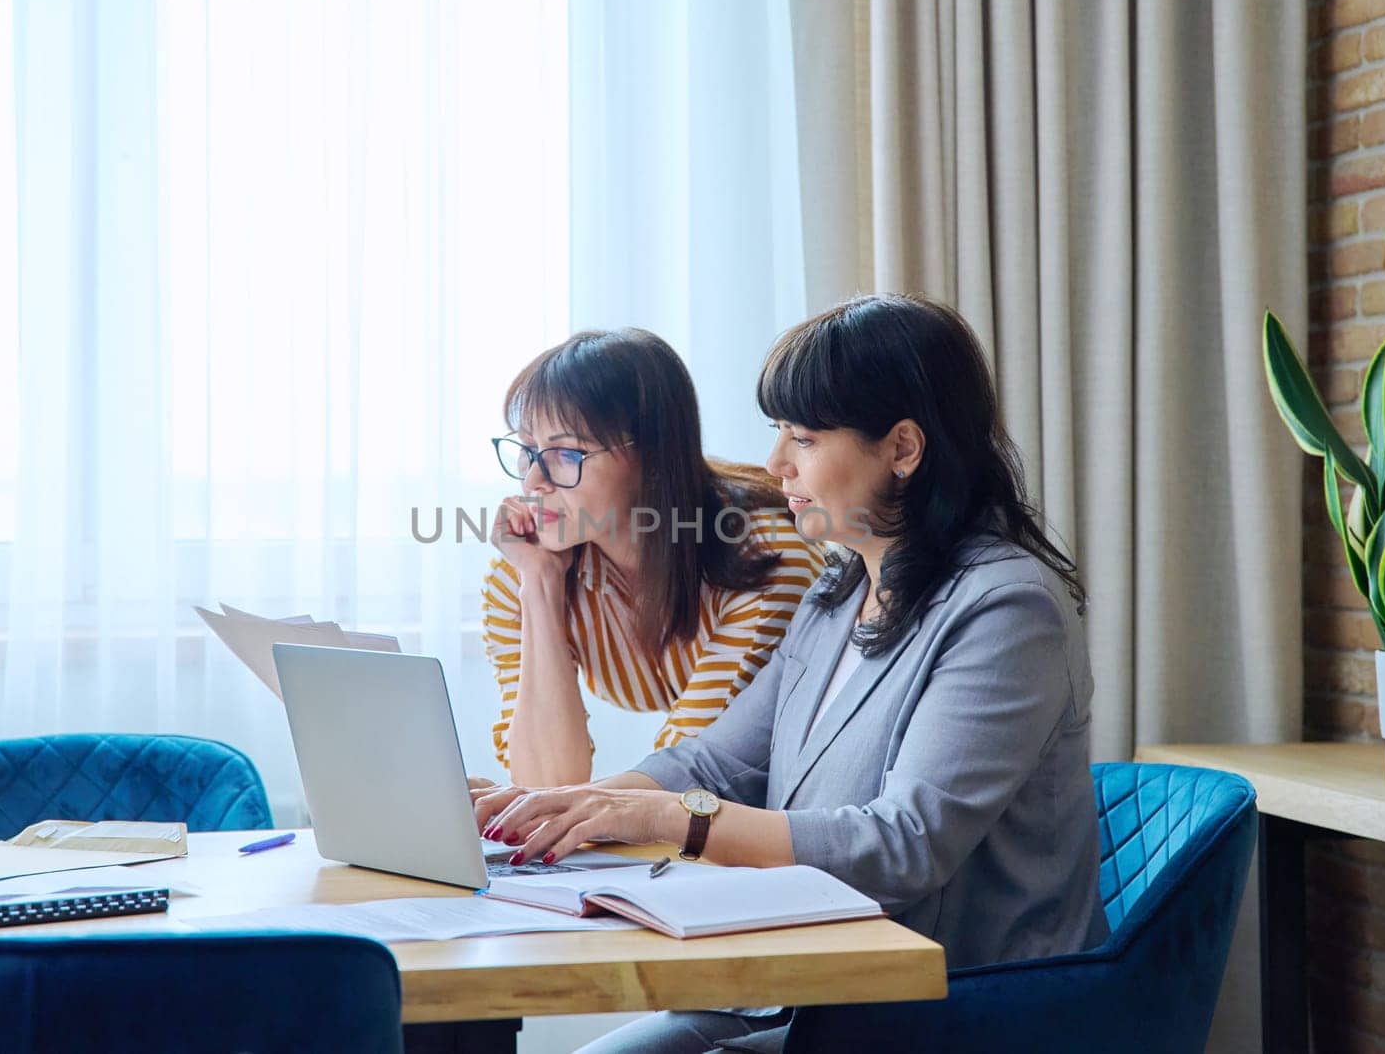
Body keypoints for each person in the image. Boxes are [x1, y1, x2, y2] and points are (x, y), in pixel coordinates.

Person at [474, 294, 1110, 1053]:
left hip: (944, 1009)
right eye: (780, 434)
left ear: (902, 449)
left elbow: (904, 843)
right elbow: (718, 761)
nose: (777, 466)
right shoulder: (840, 591)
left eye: (803, 438)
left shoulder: (1006, 608)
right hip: (808, 992)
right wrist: (566, 803)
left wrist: (660, 818)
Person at [483, 327, 827, 788]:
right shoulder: (527, 566)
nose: (532, 483)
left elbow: (690, 772)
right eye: (528, 450)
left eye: (566, 453)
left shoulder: (763, 561)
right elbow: (547, 781)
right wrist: (540, 587)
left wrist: (566, 810)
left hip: (793, 799)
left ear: (654, 455)